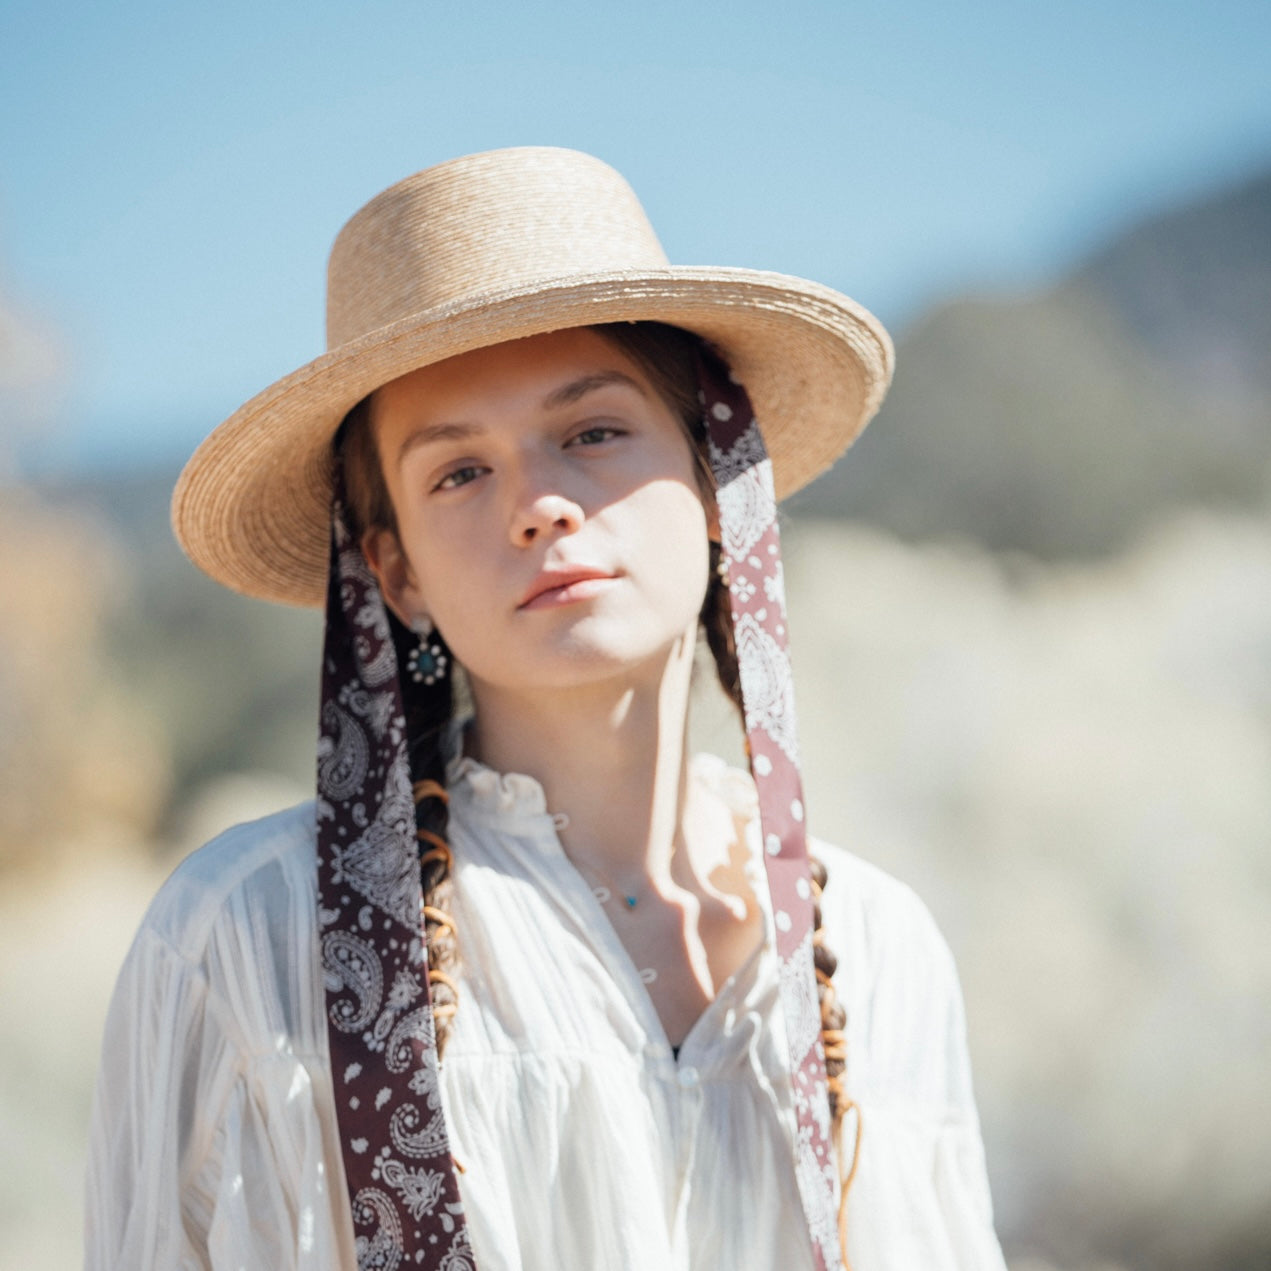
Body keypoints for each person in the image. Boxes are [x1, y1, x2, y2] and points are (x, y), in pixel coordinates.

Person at [85, 147, 1007, 1271]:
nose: (539, 505)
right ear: (395, 570)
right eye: (456, 474)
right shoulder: (249, 937)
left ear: (717, 482)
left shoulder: (875, 944)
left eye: (591, 432)